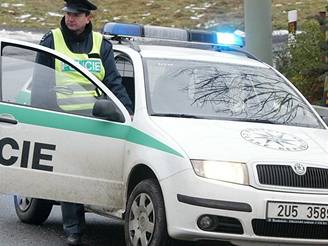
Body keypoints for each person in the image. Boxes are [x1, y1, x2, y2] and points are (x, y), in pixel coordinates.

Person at [34, 0, 133, 245]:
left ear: (88, 17)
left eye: (76, 14)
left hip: (97, 118)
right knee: (72, 171)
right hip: (64, 118)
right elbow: (40, 85)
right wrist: (45, 120)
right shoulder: (52, 40)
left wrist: (126, 112)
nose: (71, 18)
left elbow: (113, 82)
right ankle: (73, 230)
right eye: (68, 13)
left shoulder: (101, 45)